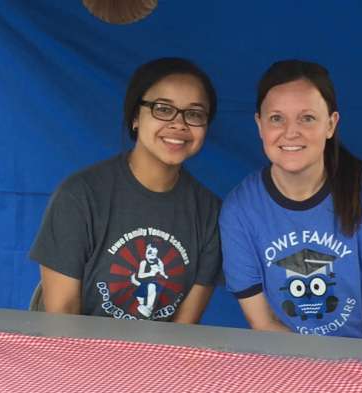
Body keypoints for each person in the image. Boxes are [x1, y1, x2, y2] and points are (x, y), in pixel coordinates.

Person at [220, 59, 362, 342]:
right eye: (276, 118)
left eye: (307, 118)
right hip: (298, 361)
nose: (290, 132)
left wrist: (360, 382)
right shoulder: (240, 210)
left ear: (330, 124)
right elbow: (264, 323)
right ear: (259, 125)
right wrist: (314, 381)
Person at [30, 57, 221, 323]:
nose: (179, 124)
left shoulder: (211, 213)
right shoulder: (79, 196)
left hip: (158, 360)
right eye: (162, 109)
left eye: (194, 114)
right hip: (71, 355)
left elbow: (185, 328)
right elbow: (62, 316)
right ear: (135, 117)